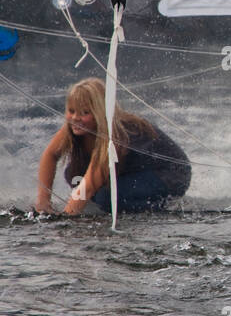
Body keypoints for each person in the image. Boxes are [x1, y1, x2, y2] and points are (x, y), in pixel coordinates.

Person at [35, 78, 191, 215]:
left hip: (169, 173)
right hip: (130, 171)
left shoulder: (114, 136)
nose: (76, 118)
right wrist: (43, 203)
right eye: (71, 111)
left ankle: (160, 208)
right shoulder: (74, 125)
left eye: (85, 112)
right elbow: (50, 155)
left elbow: (89, 186)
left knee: (105, 197)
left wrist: (66, 220)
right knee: (74, 175)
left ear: (100, 113)